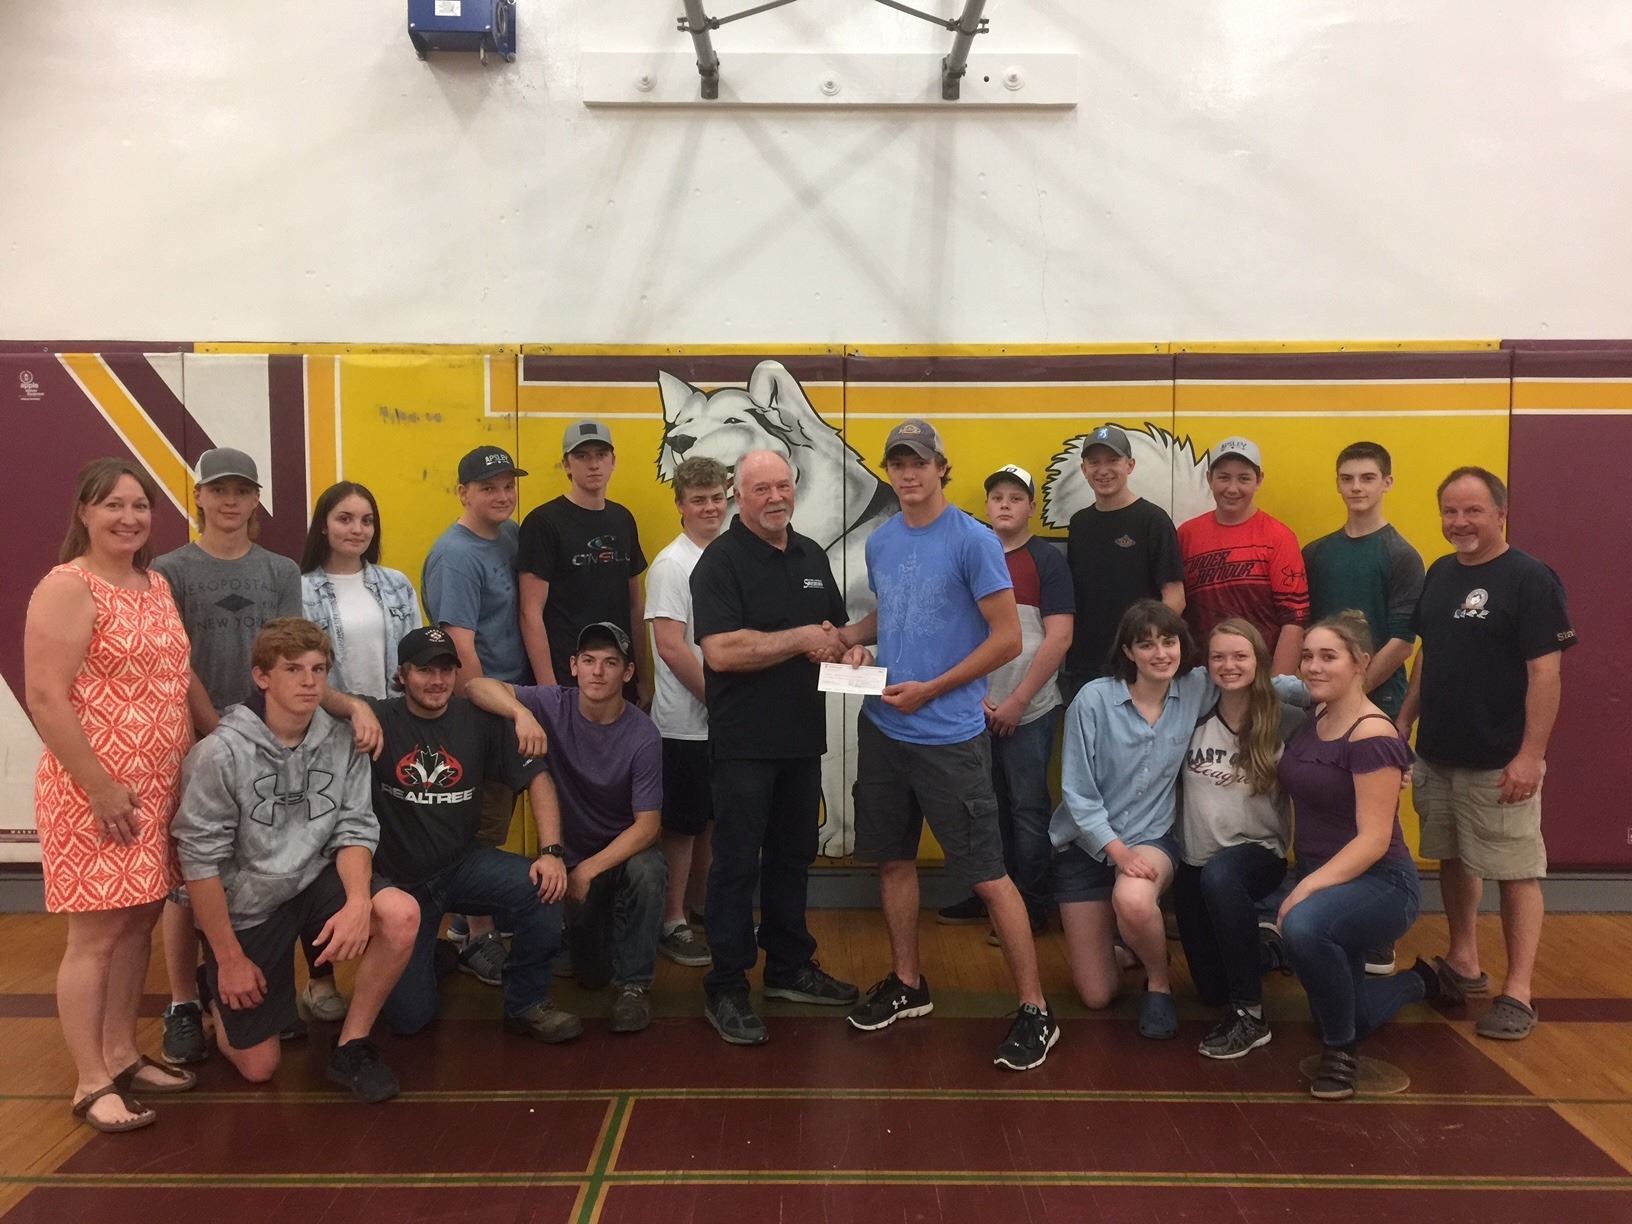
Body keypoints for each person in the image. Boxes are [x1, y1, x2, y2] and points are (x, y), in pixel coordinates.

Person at [838, 420, 1056, 1072]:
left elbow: (1007, 639)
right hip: (885, 728)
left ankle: (1036, 1010)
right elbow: (898, 611)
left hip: (950, 738)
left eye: (919, 462)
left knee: (988, 876)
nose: (908, 474)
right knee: (892, 861)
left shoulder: (974, 540)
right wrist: (852, 639)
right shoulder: (882, 541)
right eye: (898, 463)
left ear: (941, 468)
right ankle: (908, 984)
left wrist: (933, 688)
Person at [170, 619, 419, 1103]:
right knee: (259, 1068)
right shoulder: (219, 754)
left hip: (313, 880)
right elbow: (199, 863)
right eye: (293, 669)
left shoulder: (343, 739)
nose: (309, 681)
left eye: (318, 669)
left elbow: (355, 828)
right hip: (250, 903)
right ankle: (216, 991)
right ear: (262, 677)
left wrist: (357, 902)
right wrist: (230, 960)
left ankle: (352, 1045)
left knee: (400, 914)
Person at [25, 459, 203, 1132]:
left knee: (138, 923)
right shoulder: (67, 587)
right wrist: (98, 786)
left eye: (139, 506)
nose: (129, 518)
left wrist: (214, 740)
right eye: (113, 505)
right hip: (96, 791)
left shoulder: (155, 584)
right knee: (95, 935)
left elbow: (177, 676)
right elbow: (46, 696)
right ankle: (90, 1080)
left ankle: (123, 1054)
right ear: (84, 512)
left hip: (159, 788)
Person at [323, 627, 580, 1043]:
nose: (437, 680)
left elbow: (538, 778)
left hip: (462, 865)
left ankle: (527, 1003)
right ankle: (434, 954)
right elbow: (318, 693)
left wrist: (551, 851)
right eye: (425, 670)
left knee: (543, 887)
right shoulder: (382, 717)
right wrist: (355, 706)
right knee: (410, 1020)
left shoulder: (476, 719)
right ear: (402, 674)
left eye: (446, 670)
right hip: (403, 888)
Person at [1397, 467, 1576, 1042]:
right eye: (1450, 511)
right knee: (1453, 858)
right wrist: (1405, 719)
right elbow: (1428, 653)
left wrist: (1531, 756)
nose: (1459, 522)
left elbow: (1546, 674)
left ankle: (1519, 992)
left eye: (1472, 511)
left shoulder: (1530, 578)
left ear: (1500, 513)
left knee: (1515, 872)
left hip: (1501, 761)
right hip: (1438, 753)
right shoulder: (1440, 572)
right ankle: (1464, 959)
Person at [688, 450, 858, 1045]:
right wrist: (801, 637)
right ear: (739, 494)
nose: (776, 497)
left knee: (793, 857)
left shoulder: (811, 555)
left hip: (802, 740)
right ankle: (727, 984)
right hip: (744, 745)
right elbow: (721, 652)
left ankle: (788, 967)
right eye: (762, 488)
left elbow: (832, 634)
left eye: (783, 485)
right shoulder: (720, 563)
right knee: (736, 864)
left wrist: (851, 650)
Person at [151, 446, 301, 1066]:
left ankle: (251, 988)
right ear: (201, 498)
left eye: (242, 490)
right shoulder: (169, 569)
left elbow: (291, 653)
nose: (231, 501)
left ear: (256, 498)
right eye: (219, 490)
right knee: (189, 876)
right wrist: (215, 730)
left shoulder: (280, 570)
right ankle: (184, 1003)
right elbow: (173, 658)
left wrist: (275, 734)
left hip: (267, 742)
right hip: (193, 739)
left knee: (260, 864)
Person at [1277, 612, 1457, 1100]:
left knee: (1302, 927)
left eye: (1328, 657)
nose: (1313, 666)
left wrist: (1305, 889)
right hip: (1328, 880)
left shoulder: (1372, 734)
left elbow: (1373, 840)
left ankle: (1340, 1054)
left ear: (1361, 662)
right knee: (1347, 1012)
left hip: (1379, 883)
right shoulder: (1314, 715)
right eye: (1307, 656)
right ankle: (1422, 981)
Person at [469, 622, 666, 1034]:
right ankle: (591, 934)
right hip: (571, 860)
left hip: (619, 856)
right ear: (574, 666)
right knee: (591, 976)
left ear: (628, 672)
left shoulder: (643, 734)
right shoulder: (552, 703)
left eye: (610, 663)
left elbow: (648, 826)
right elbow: (475, 687)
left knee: (648, 870)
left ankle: (634, 987)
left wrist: (589, 869)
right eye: (589, 661)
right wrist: (521, 713)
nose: (598, 672)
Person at [1050, 600, 1202, 1041]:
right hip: (1085, 846)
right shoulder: (1094, 699)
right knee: (1097, 994)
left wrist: (1323, 693)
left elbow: (1256, 681)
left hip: (1152, 836)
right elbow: (1077, 793)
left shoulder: (1195, 688)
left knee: (1133, 899)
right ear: (1128, 652)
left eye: (1169, 642)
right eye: (1146, 644)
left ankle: (1158, 982)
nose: (1161, 653)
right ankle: (1127, 947)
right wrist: (1117, 852)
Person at [1302, 441, 1425, 976]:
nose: (1357, 487)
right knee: (1328, 810)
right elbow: (1308, 630)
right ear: (1338, 483)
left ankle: (1379, 929)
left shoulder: (1401, 554)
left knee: (1375, 819)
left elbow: (1403, 639)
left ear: (1387, 483)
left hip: (1379, 702)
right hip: (1323, 701)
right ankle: (1329, 909)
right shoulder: (1317, 553)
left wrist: (1352, 693)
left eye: (1368, 478)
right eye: (1348, 478)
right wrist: (1325, 690)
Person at [937, 464, 1073, 937]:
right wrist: (973, 696)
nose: (1005, 505)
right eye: (997, 497)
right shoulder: (971, 553)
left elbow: (1059, 638)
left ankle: (1032, 904)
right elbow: (956, 630)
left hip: (1030, 709)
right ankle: (991, 898)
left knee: (1028, 808)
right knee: (982, 809)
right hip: (973, 709)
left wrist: (1017, 701)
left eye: (1016, 498)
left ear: (1031, 508)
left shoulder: (1047, 560)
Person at [422, 445, 532, 986]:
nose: (502, 495)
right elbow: (460, 653)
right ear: (463, 492)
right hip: (481, 709)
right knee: (478, 828)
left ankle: (470, 920)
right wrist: (501, 712)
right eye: (488, 487)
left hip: (513, 702)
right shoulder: (455, 556)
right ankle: (476, 937)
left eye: (508, 484)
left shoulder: (509, 535)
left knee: (495, 817)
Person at [1172, 619, 1304, 1059]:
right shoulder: (1191, 719)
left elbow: (1337, 743)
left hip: (1257, 853)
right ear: (1206, 664)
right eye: (1219, 657)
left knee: (1222, 877)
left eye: (1240, 656)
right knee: (1211, 991)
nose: (1229, 665)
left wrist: (1390, 761)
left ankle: (1251, 1016)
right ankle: (1268, 950)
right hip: (1196, 859)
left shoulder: (1286, 720)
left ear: (1258, 661)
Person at [645, 456, 731, 968]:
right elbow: (671, 647)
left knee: (711, 821)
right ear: (680, 505)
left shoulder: (728, 556)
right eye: (698, 500)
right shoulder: (671, 565)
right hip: (683, 725)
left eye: (717, 497)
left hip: (722, 722)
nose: (710, 508)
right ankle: (671, 921)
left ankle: (700, 908)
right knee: (680, 827)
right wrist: (720, 701)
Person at [518, 420, 651, 703]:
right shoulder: (543, 523)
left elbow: (635, 606)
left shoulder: (623, 519)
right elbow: (530, 613)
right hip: (568, 679)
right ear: (566, 465)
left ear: (613, 462)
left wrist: (642, 677)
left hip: (618, 677)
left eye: (601, 455)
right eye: (582, 456)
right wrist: (549, 691)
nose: (593, 465)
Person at [1063, 424, 1184, 702]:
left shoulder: (1153, 520)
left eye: (1113, 460)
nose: (1103, 470)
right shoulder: (1079, 524)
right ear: (1084, 469)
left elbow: (1175, 598)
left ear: (1130, 465)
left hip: (1137, 667)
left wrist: (1148, 649)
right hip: (1086, 667)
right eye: (1094, 462)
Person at [1178, 437, 1309, 677]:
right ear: (1209, 478)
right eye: (1223, 477)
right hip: (1202, 678)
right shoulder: (1187, 535)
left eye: (1244, 478)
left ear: (1259, 480)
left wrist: (1275, 687)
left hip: (1260, 677)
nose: (1232, 488)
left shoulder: (1279, 537)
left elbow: (1294, 620)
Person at [300, 480, 424, 701]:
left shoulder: (397, 585)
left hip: (393, 713)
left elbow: (416, 658)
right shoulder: (302, 590)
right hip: (327, 717)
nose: (357, 530)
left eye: (367, 521)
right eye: (345, 519)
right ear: (323, 525)